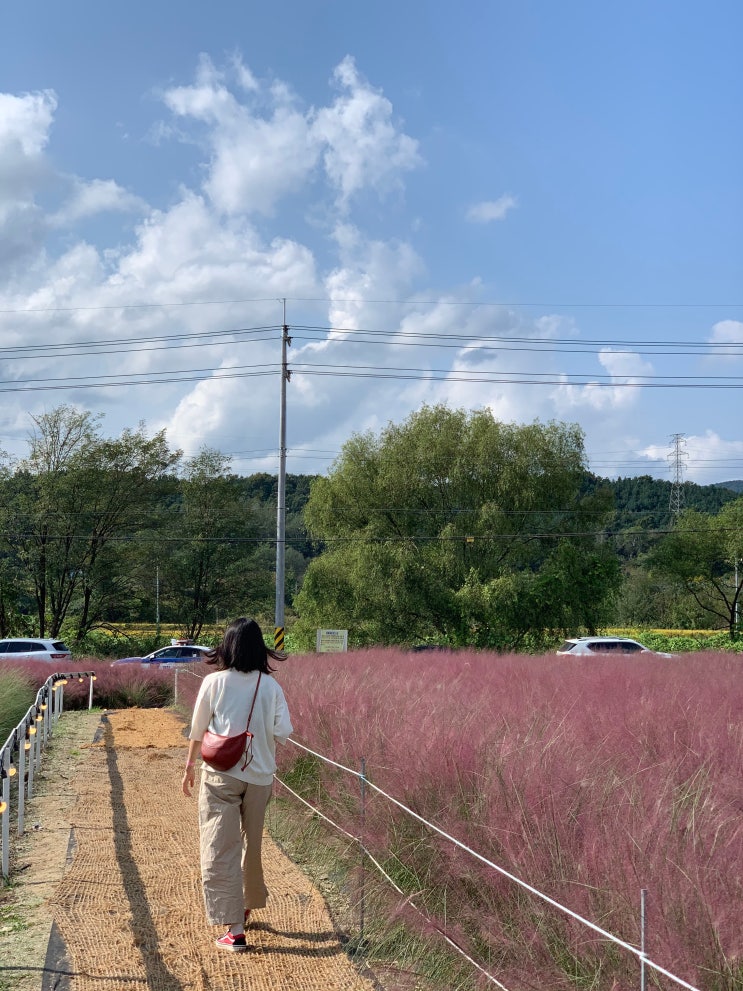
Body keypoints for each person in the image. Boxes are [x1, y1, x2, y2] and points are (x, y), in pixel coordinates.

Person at [182, 617, 293, 952]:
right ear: (260, 648)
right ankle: (244, 904)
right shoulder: (271, 687)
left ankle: (235, 929)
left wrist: (189, 765)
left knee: (220, 847)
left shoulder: (214, 682)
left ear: (227, 645)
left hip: (220, 775)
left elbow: (198, 729)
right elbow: (283, 732)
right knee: (251, 845)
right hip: (259, 778)